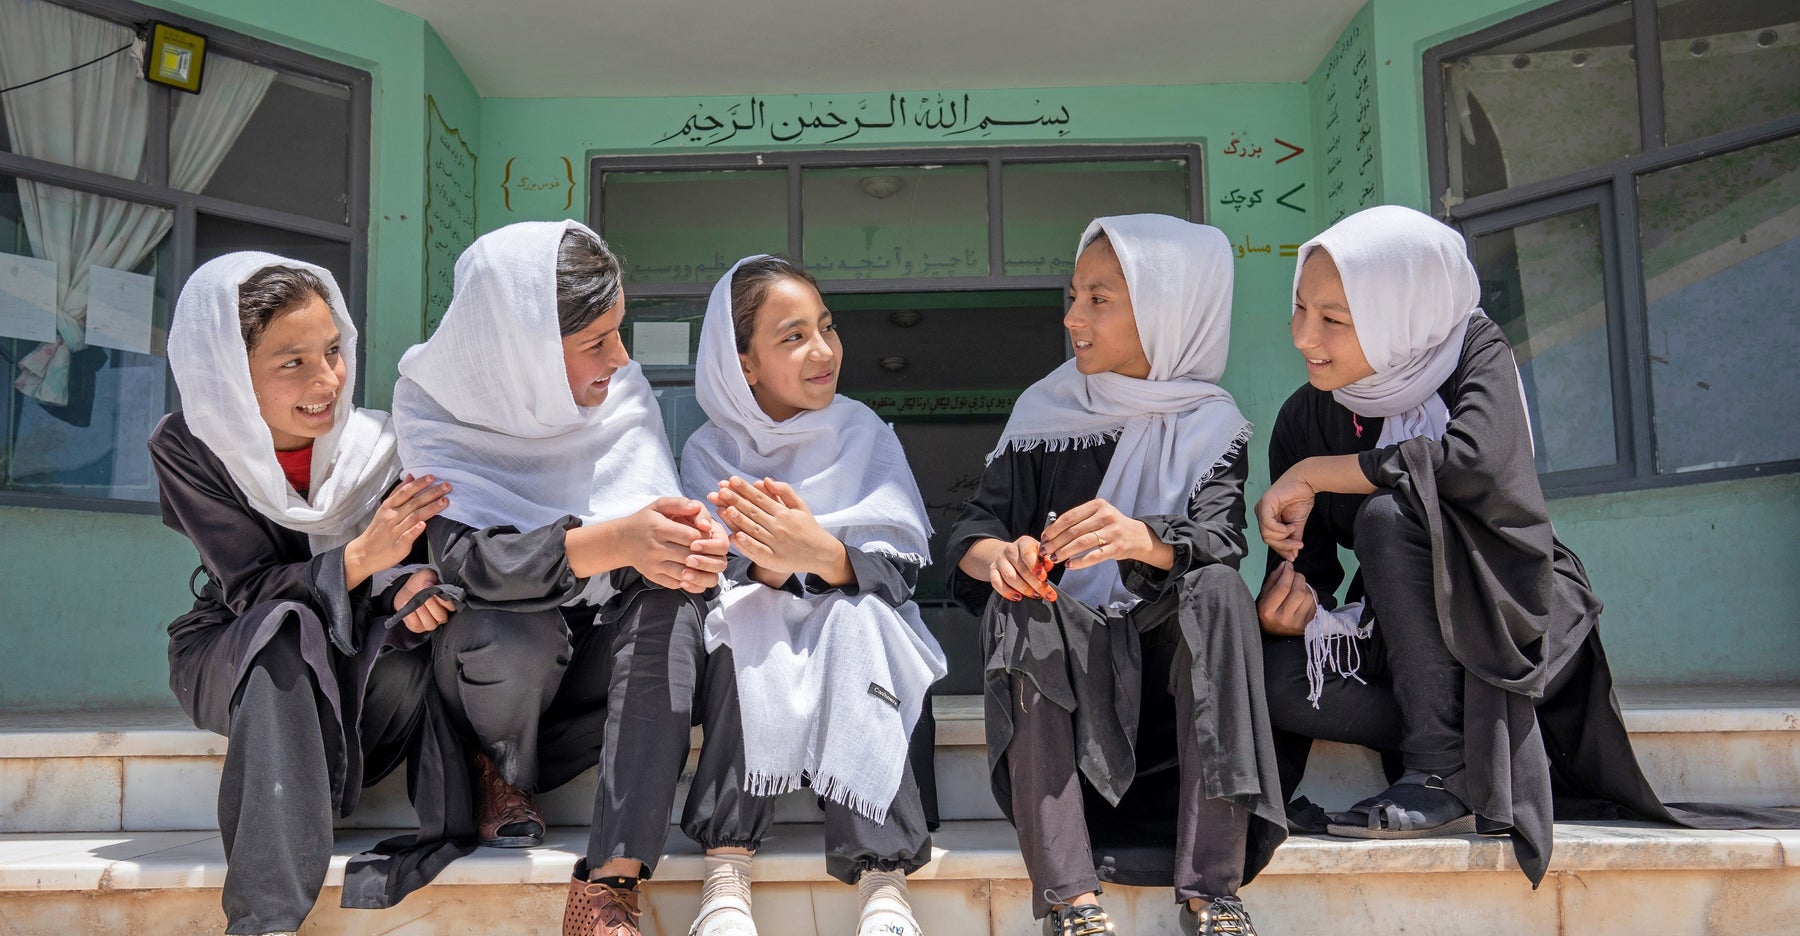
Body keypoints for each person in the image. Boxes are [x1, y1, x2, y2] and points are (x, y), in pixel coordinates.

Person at [1256, 203, 1800, 886]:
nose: (1305, 336)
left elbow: (1475, 462)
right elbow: (1308, 577)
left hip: (1512, 610)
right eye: (1299, 309)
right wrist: (1283, 610)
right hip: (1404, 644)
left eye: (1333, 319)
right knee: (1271, 676)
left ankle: (1440, 771)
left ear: (1404, 311)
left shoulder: (1470, 350)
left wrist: (1319, 474)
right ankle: (1475, 744)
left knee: (1391, 518)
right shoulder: (1306, 415)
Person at [946, 215, 1286, 936]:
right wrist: (1001, 557)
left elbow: (1220, 539)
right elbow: (972, 533)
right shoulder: (1045, 413)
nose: (1073, 317)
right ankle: (1071, 902)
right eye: (1073, 295)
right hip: (1066, 702)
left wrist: (1141, 539)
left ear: (1168, 310)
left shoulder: (1211, 425)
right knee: (1022, 600)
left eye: (1099, 299)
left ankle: (1212, 893)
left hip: (1174, 714)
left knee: (1219, 587)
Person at [390, 220, 729, 936]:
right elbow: (468, 563)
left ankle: (609, 886)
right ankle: (497, 770)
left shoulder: (620, 392)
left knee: (673, 600)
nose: (622, 357)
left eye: (620, 330)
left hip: (590, 679)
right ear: (527, 355)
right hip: (491, 674)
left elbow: (651, 512)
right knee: (513, 625)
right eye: (597, 342)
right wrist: (615, 540)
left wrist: (687, 547)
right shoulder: (437, 404)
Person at [151, 253, 471, 936]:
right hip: (234, 650)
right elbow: (250, 585)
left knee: (415, 642)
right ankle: (265, 922)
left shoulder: (381, 448)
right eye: (291, 362)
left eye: (333, 350)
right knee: (286, 623)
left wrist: (408, 580)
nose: (327, 380)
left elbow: (403, 568)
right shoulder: (191, 445)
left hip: (365, 655)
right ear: (229, 371)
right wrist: (359, 556)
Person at [677, 255, 947, 936]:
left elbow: (900, 574)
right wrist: (770, 569)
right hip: (757, 623)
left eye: (826, 327)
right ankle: (727, 867)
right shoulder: (709, 452)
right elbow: (706, 572)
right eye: (793, 336)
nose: (823, 351)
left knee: (858, 622)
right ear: (744, 363)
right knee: (751, 621)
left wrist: (820, 554)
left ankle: (883, 881)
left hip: (856, 625)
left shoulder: (862, 433)